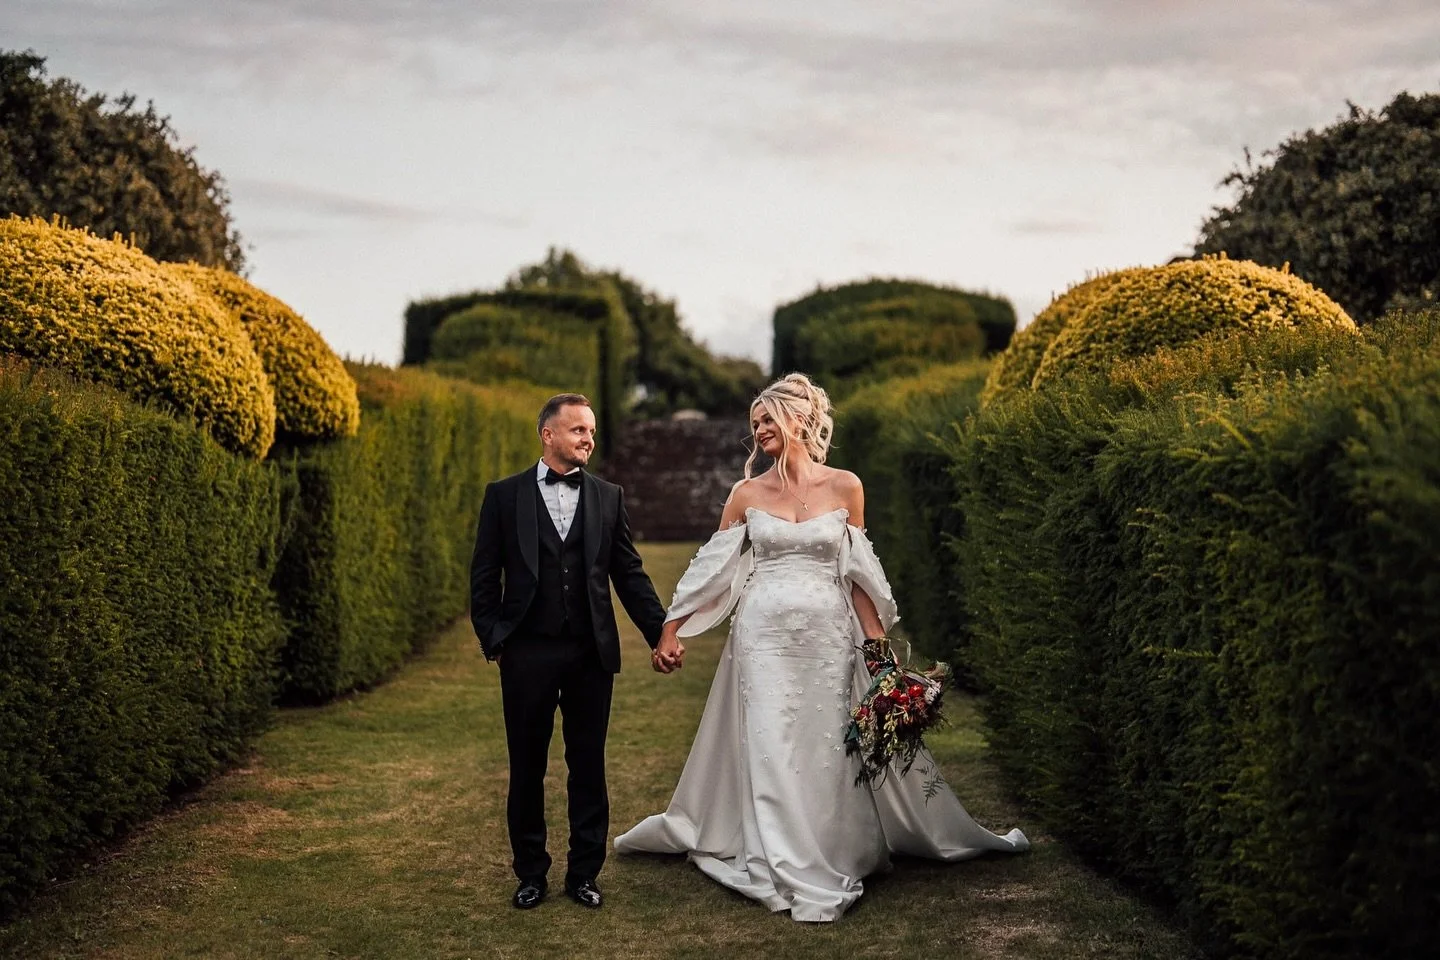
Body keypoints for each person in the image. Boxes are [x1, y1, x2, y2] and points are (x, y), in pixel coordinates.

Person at [617, 373, 1028, 922]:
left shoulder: (846, 486)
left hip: (829, 637)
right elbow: (711, 570)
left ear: (800, 420)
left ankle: (832, 845)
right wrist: (671, 629)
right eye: (755, 422)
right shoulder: (745, 494)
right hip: (761, 637)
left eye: (768, 418)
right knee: (770, 739)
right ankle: (782, 856)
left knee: (826, 742)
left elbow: (858, 577)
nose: (759, 430)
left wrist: (878, 653)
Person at [470, 393, 674, 912]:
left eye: (592, 431)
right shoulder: (503, 496)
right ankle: (530, 874)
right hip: (526, 654)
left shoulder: (608, 496)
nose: (589, 439)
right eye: (579, 429)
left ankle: (584, 873)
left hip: (589, 654)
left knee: (588, 766)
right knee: (526, 767)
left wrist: (660, 633)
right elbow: (484, 574)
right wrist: (495, 640)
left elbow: (628, 573)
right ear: (548, 434)